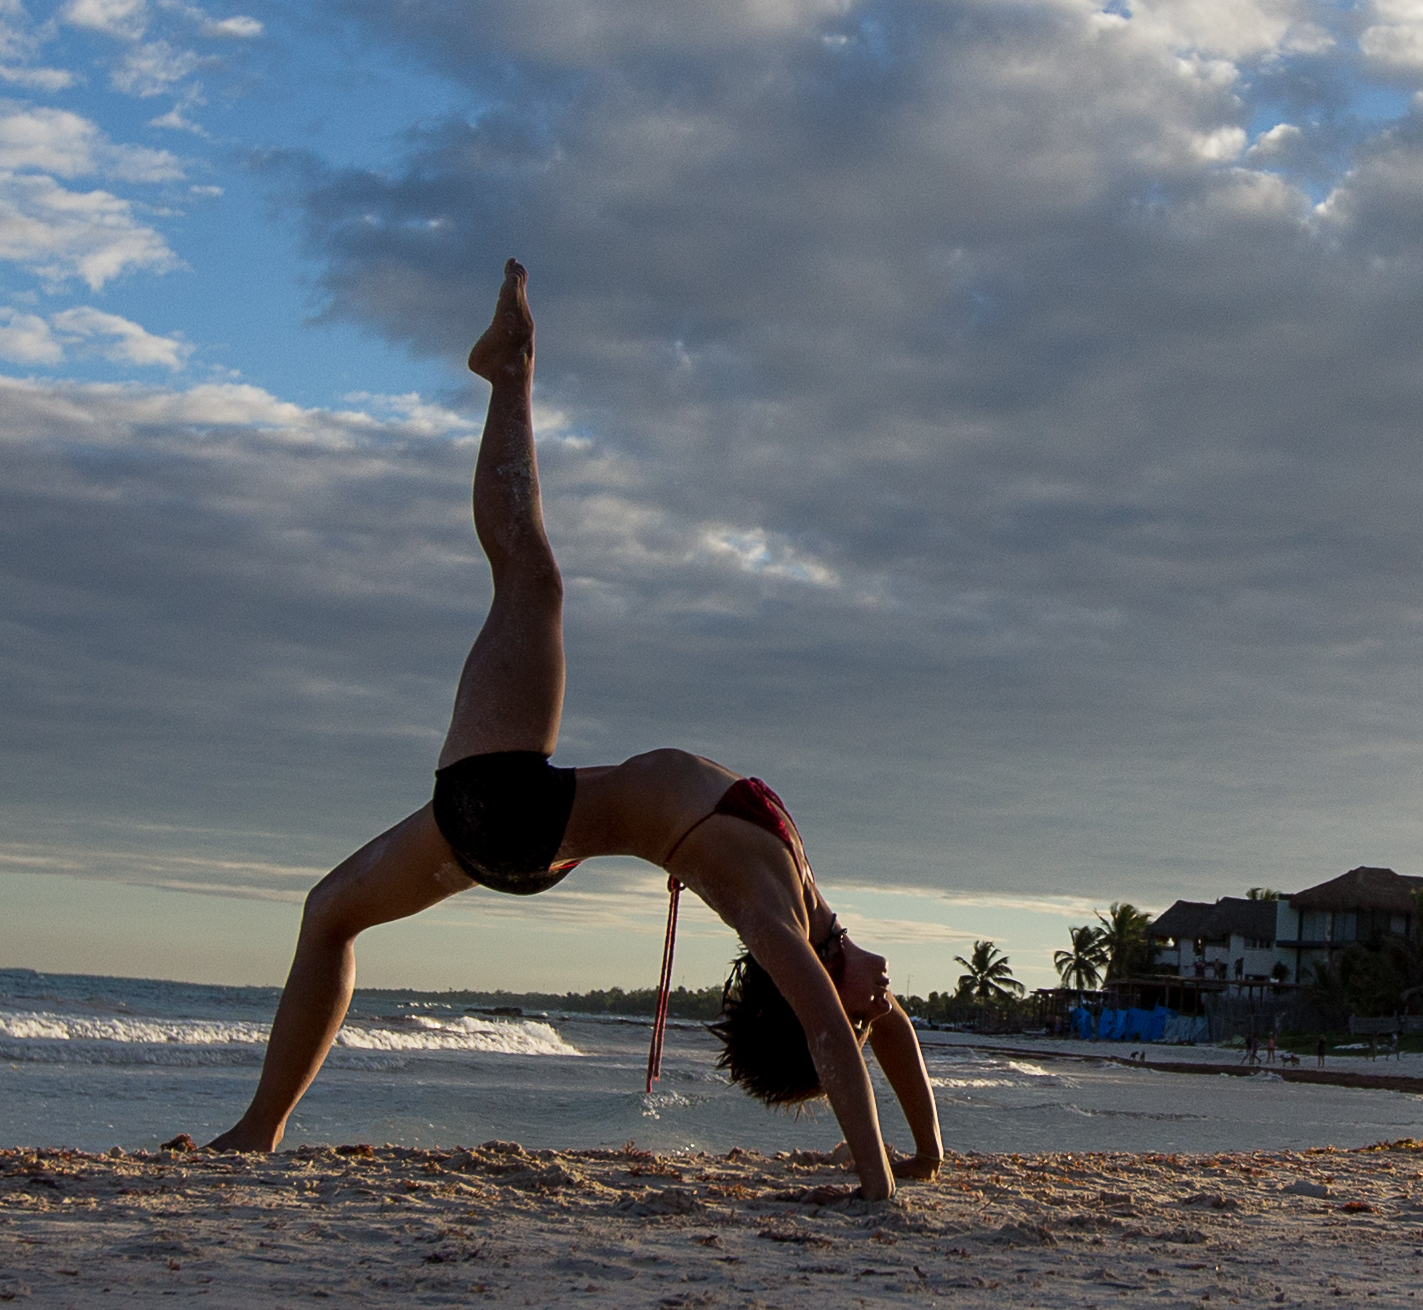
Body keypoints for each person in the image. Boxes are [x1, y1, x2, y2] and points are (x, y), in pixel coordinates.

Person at [203, 262, 939, 1200]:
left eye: (862, 1008)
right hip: (522, 839)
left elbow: (838, 1037)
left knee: (531, 579)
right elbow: (883, 1029)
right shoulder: (813, 912)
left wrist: (876, 1189)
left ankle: (507, 372)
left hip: (513, 814)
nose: (884, 1004)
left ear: (814, 997)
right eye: (876, 1008)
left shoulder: (776, 921)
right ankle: (256, 1132)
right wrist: (929, 1157)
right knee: (326, 916)